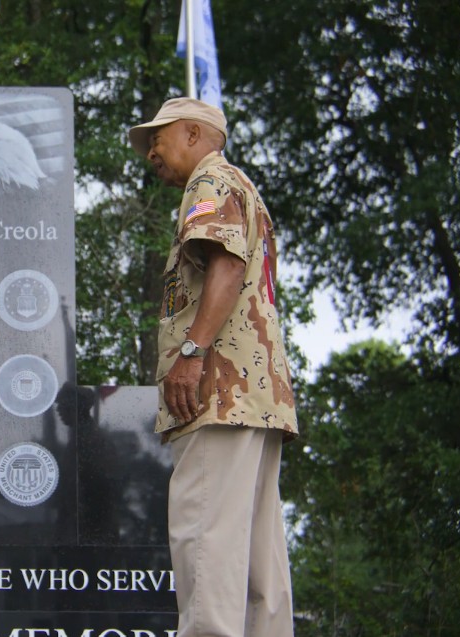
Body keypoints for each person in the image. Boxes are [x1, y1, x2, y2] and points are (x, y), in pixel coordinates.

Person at [128, 98, 299, 637]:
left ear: (195, 133)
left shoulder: (210, 181)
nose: (151, 151)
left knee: (207, 544)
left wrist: (191, 354)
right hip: (257, 397)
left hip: (218, 391)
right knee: (257, 561)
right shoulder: (243, 188)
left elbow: (225, 265)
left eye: (159, 137)